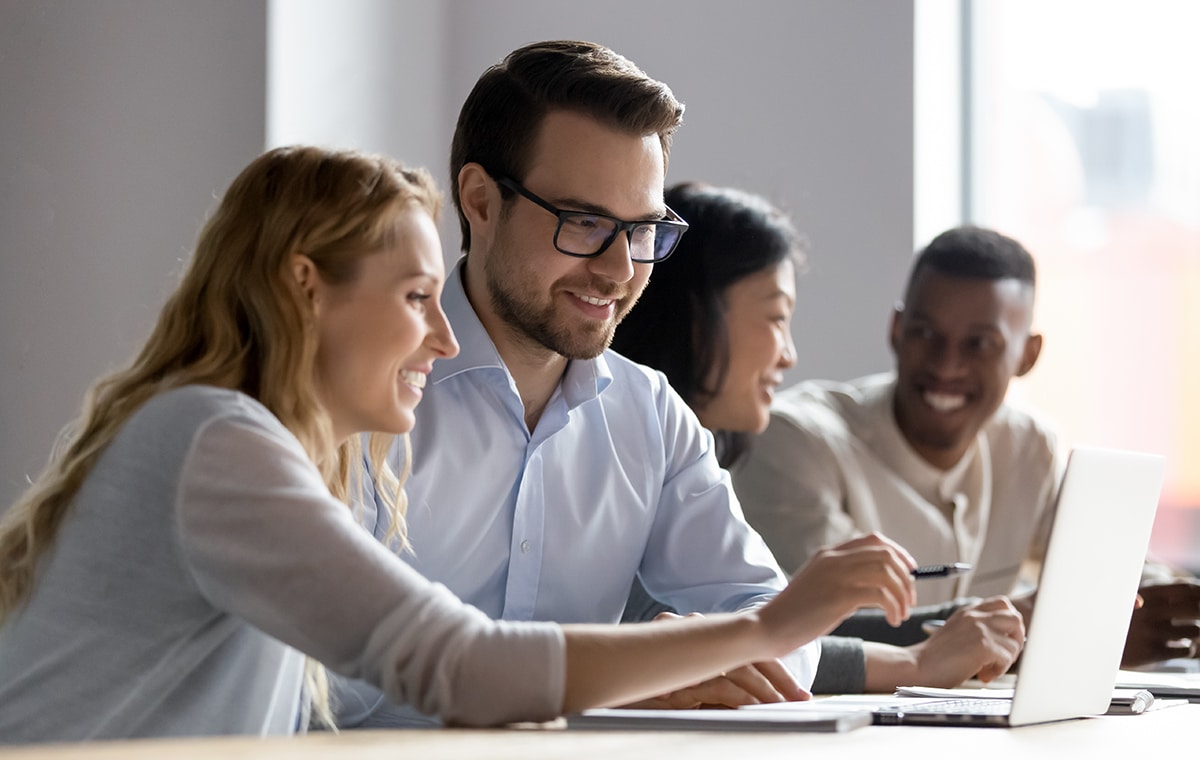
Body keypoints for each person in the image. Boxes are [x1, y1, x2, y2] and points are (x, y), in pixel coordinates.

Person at [0, 146, 921, 744]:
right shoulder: (214, 439)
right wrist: (770, 626)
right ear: (305, 288)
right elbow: (462, 666)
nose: (444, 341)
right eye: (414, 298)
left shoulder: (245, 442)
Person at [331, 40, 899, 727]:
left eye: (642, 231)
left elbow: (775, 624)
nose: (620, 270)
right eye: (586, 223)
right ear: (480, 201)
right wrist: (614, 678)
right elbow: (320, 679)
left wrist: (678, 661)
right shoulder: (354, 397)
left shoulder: (651, 414)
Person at [611, 182, 1025, 694]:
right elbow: (718, 637)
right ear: (697, 318)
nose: (789, 355)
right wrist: (917, 662)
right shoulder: (618, 447)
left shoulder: (691, 454)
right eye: (777, 318)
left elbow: (758, 629)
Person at [730, 224, 1200, 668]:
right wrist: (1058, 627)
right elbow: (820, 630)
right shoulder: (796, 441)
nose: (946, 365)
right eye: (925, 334)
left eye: (979, 344)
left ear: (1027, 355)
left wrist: (1155, 603)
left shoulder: (1028, 446)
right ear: (896, 330)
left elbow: (1113, 564)